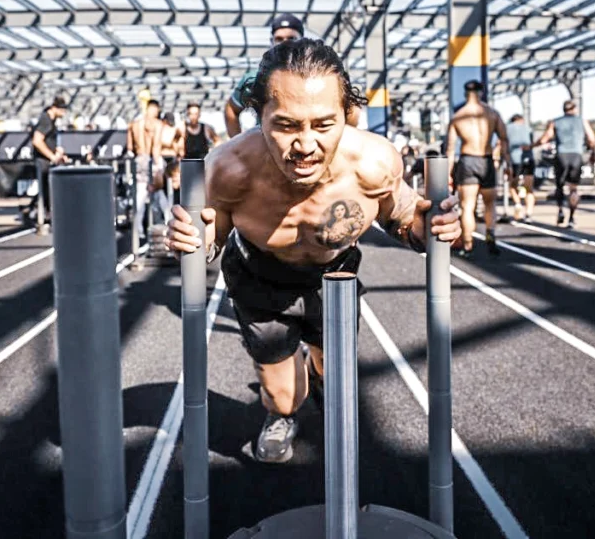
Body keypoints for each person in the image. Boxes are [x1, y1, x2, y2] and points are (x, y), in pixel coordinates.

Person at [168, 39, 461, 464]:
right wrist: (190, 241)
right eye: (286, 125)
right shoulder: (228, 169)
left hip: (333, 277)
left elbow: (405, 219)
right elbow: (206, 245)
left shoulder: (373, 163)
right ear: (259, 116)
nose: (305, 145)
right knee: (284, 399)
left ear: (347, 115)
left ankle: (317, 371)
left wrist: (433, 223)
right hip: (259, 279)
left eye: (323, 125)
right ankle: (280, 413)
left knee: (333, 375)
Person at [224, 14, 360, 138]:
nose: (285, 42)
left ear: (302, 39)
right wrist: (239, 142)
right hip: (268, 153)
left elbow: (352, 109)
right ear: (272, 41)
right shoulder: (255, 78)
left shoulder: (322, 73)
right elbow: (231, 109)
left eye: (291, 38)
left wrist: (338, 142)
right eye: (279, 39)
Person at [445, 80, 510, 257]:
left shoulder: (458, 116)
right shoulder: (492, 113)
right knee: (490, 203)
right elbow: (504, 139)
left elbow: (450, 148)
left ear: (466, 94)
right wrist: (508, 164)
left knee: (467, 206)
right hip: (486, 160)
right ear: (481, 93)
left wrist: (448, 174)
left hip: (468, 161)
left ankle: (467, 245)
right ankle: (490, 235)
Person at [538, 99, 595, 229]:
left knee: (560, 186)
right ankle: (571, 218)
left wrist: (534, 144)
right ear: (574, 109)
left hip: (561, 155)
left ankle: (560, 210)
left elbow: (545, 138)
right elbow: (592, 139)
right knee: (573, 188)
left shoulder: (556, 122)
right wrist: (593, 153)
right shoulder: (582, 121)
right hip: (576, 155)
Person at [126, 99, 165, 246]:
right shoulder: (158, 124)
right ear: (155, 109)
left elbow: (130, 147)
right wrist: (158, 166)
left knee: (140, 196)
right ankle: (168, 223)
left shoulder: (134, 124)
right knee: (160, 193)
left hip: (139, 160)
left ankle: (138, 229)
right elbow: (156, 147)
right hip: (151, 160)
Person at [26, 96, 69, 225]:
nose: (64, 113)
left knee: (47, 188)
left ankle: (35, 211)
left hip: (47, 159)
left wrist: (58, 152)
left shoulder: (51, 120)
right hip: (43, 161)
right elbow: (37, 140)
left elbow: (48, 141)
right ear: (54, 108)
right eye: (62, 109)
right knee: (46, 189)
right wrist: (52, 156)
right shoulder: (46, 120)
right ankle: (34, 212)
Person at [505, 113, 535, 222]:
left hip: (515, 160)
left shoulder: (507, 129)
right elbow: (532, 143)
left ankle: (518, 204)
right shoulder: (528, 128)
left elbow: (503, 145)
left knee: (512, 186)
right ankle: (529, 213)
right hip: (529, 159)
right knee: (529, 188)